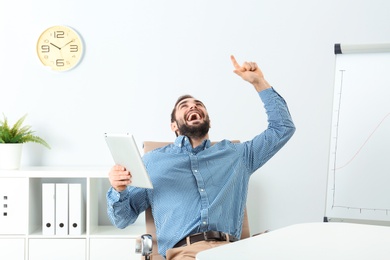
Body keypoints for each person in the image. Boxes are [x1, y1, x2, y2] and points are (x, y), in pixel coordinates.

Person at [107, 55, 296, 259]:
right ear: (174, 126)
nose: (193, 106)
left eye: (198, 104)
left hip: (231, 251)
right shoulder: (152, 163)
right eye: (184, 106)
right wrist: (119, 190)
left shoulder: (237, 154)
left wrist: (259, 82)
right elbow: (122, 220)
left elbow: (283, 128)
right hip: (184, 253)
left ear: (209, 121)